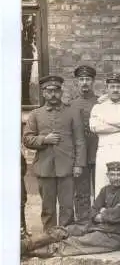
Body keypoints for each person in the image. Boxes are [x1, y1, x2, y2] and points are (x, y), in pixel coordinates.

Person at [21, 162, 120, 257]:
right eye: (112, 174)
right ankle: (26, 244)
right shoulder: (105, 190)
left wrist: (103, 213)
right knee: (65, 230)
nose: (115, 178)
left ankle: (29, 252)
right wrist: (100, 213)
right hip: (95, 225)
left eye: (119, 175)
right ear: (107, 175)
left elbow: (115, 215)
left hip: (113, 235)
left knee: (74, 243)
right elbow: (94, 210)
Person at [23, 75, 86, 232]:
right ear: (43, 93)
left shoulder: (72, 113)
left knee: (67, 206)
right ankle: (49, 236)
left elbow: (80, 141)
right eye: (49, 91)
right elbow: (27, 139)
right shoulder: (35, 114)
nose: (53, 94)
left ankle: (65, 237)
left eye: (56, 90)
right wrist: (44, 140)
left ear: (61, 91)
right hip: (44, 167)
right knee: (48, 207)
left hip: (67, 167)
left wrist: (79, 164)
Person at [90, 73, 120, 196]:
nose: (115, 90)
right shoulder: (98, 107)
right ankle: (104, 212)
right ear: (107, 89)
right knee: (104, 180)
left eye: (118, 87)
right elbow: (95, 127)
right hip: (105, 149)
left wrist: (106, 120)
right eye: (112, 87)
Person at [70, 65, 99, 219]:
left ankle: (98, 221)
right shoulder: (71, 105)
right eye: (81, 79)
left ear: (93, 81)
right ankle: (82, 221)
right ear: (77, 82)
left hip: (98, 152)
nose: (84, 82)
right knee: (81, 192)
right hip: (79, 156)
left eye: (88, 79)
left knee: (100, 189)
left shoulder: (101, 102)